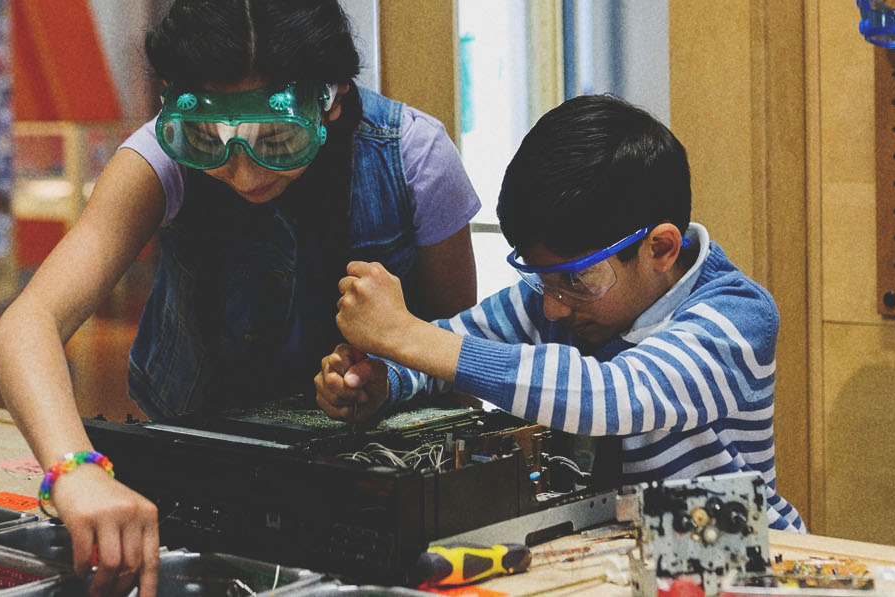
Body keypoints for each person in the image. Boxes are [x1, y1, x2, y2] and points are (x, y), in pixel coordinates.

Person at [0, 0, 481, 593]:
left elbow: (459, 349)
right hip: (200, 453)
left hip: (369, 480)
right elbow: (27, 325)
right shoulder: (155, 160)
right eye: (205, 139)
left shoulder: (411, 154)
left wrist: (387, 369)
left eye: (275, 140)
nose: (244, 173)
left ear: (334, 96)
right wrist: (75, 469)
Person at [314, 94, 806, 531]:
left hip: (738, 554)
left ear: (660, 248)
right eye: (540, 278)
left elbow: (615, 396)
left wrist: (407, 336)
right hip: (625, 554)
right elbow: (451, 347)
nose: (551, 304)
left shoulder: (737, 317)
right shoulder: (560, 301)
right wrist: (383, 377)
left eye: (575, 279)